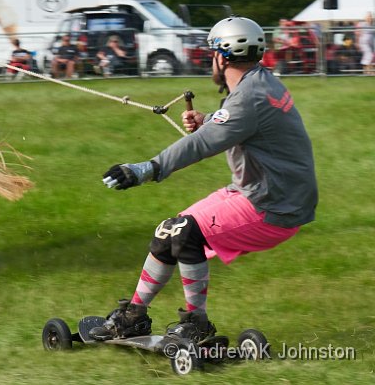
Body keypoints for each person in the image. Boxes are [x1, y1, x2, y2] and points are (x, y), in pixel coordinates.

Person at [89, 17, 317, 344]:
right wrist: (209, 119)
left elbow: (200, 144)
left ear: (222, 57)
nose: (211, 60)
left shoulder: (248, 97)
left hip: (272, 206)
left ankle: (196, 323)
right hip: (264, 193)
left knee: (186, 234)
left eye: (212, 53)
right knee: (169, 230)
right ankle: (133, 317)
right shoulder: (262, 82)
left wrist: (145, 169)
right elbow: (241, 124)